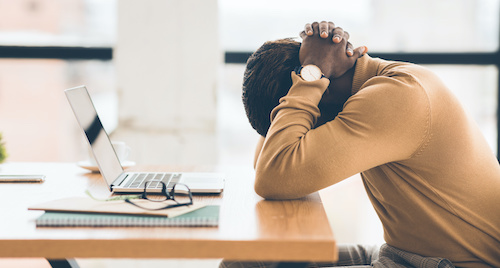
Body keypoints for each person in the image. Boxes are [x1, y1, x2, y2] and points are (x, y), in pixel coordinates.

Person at [221, 21, 500, 267]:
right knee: (244, 261)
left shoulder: (394, 96)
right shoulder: (369, 87)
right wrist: (309, 76)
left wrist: (311, 73)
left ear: (321, 89)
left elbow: (274, 175)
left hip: (446, 264)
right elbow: (266, 163)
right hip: (404, 254)